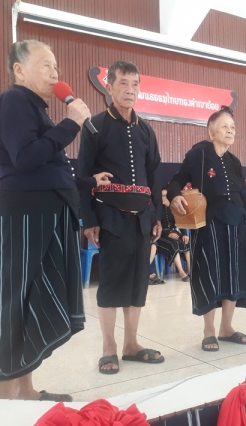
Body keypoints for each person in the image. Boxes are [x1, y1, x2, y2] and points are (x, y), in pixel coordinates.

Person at [0, 40, 110, 400]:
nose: (54, 73)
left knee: (35, 299)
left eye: (55, 66)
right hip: (27, 213)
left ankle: (25, 389)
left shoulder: (34, 109)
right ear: (19, 69)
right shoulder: (13, 101)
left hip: (46, 210)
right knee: (18, 300)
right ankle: (5, 397)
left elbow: (49, 166)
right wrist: (71, 124)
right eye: (45, 65)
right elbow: (25, 158)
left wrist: (87, 181)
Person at [78, 60, 163, 375]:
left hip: (143, 219)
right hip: (110, 218)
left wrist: (157, 215)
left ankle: (131, 344)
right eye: (123, 83)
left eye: (135, 84)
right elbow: (82, 175)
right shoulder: (95, 126)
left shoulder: (146, 130)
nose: (130, 90)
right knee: (111, 284)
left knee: (138, 283)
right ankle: (108, 347)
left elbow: (154, 176)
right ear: (109, 87)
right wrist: (89, 220)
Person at [168, 106, 246, 352]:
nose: (230, 131)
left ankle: (226, 328)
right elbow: (177, 179)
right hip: (208, 224)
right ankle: (209, 331)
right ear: (211, 131)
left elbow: (244, 197)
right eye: (224, 126)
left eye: (233, 127)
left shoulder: (234, 161)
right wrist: (175, 195)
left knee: (233, 275)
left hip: (237, 223)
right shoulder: (199, 154)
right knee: (208, 273)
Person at [154, 187, 191, 282]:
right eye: (162, 196)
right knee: (173, 244)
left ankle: (191, 270)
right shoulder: (156, 209)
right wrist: (167, 233)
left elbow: (180, 221)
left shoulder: (173, 207)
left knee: (186, 242)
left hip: (174, 232)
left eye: (166, 196)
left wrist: (184, 234)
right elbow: (156, 225)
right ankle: (181, 272)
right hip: (161, 235)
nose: (164, 198)